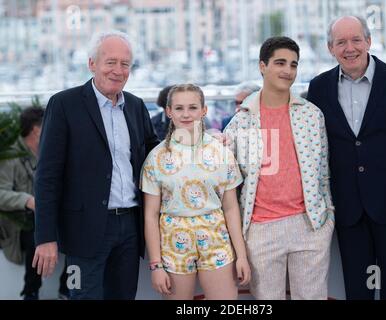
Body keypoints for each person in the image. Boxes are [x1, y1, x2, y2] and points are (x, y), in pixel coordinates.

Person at [307, 16, 386, 300]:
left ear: (369, 42)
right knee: (357, 292)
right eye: (341, 42)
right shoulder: (319, 88)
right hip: (348, 212)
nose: (349, 48)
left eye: (356, 40)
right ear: (330, 48)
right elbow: (314, 150)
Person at [32, 30, 160, 300]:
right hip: (82, 233)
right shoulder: (64, 104)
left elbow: (156, 157)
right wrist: (45, 237)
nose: (118, 70)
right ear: (92, 64)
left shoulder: (136, 107)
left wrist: (202, 144)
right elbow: (46, 176)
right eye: (110, 62)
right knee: (81, 296)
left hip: (129, 230)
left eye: (125, 64)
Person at [224, 36, 334, 300]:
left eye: (294, 65)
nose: (288, 71)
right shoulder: (242, 121)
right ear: (263, 66)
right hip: (261, 229)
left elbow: (323, 172)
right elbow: (225, 179)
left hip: (310, 225)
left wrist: (326, 216)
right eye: (280, 63)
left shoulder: (311, 114)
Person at [141, 84, 251, 299]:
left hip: (216, 240)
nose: (186, 114)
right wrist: (156, 266)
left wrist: (242, 256)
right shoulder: (156, 158)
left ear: (204, 110)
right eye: (179, 108)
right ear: (168, 112)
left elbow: (230, 208)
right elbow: (151, 215)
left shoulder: (222, 153)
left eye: (192, 107)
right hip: (174, 244)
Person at [0, 106, 69, 300]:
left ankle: (68, 289)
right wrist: (28, 201)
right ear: (37, 130)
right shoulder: (12, 157)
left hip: (50, 216)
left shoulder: (53, 152)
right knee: (36, 237)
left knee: (78, 237)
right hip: (20, 225)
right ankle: (31, 292)